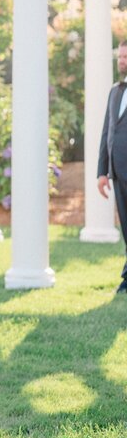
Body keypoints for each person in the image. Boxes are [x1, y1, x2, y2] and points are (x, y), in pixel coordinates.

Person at [97, 39, 127, 294]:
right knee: (126, 226)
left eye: (125, 57)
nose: (121, 61)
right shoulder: (115, 91)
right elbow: (107, 131)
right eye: (120, 57)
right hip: (117, 173)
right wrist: (101, 172)